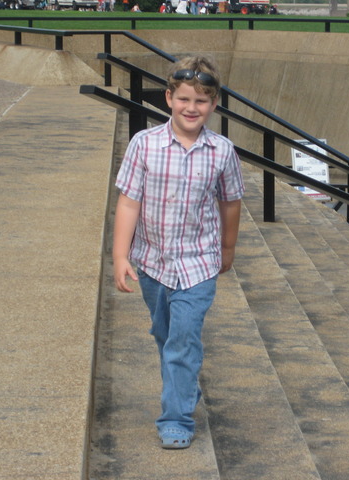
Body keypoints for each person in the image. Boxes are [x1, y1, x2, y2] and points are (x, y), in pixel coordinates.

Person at [112, 56, 244, 449]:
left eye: (201, 101)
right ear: (169, 98)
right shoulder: (144, 144)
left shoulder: (221, 151)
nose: (191, 108)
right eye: (184, 99)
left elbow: (230, 203)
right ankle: (184, 387)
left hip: (198, 264)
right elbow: (129, 202)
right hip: (152, 263)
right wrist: (120, 256)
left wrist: (227, 248)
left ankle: (176, 418)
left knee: (183, 341)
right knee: (165, 335)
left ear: (213, 104)